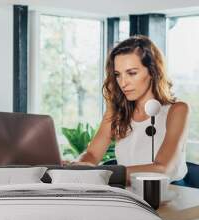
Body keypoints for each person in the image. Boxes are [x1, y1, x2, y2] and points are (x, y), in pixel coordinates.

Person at [74, 35, 189, 185]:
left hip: (169, 192)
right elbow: (92, 154)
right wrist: (78, 166)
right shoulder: (116, 111)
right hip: (128, 190)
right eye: (118, 75)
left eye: (132, 73)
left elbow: (162, 169)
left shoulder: (177, 110)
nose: (123, 83)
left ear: (153, 71)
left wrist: (101, 174)